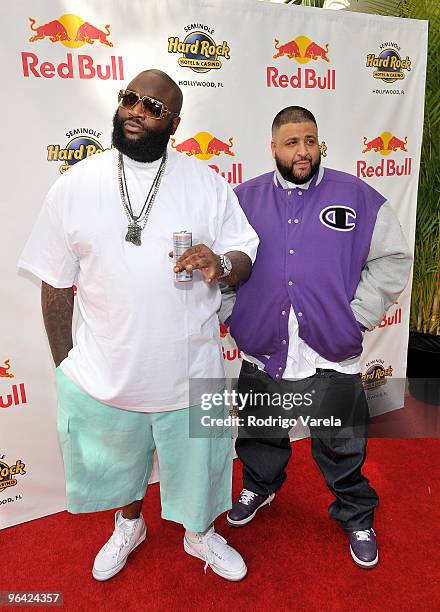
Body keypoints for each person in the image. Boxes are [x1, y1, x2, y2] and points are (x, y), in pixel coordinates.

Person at [18, 69, 259, 582]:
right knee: (122, 470)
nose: (136, 111)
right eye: (130, 99)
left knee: (200, 469)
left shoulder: (205, 181)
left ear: (173, 123)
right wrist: (65, 365)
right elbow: (55, 281)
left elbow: (245, 251)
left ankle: (199, 533)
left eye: (153, 107)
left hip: (191, 368)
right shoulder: (74, 185)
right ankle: (129, 525)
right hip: (108, 371)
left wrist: (222, 263)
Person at [222, 106, 412, 568]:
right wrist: (234, 313)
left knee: (341, 443)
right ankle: (259, 487)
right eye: (291, 142)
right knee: (260, 430)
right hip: (265, 347)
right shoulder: (240, 200)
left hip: (331, 350)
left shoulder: (357, 196)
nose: (302, 150)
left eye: (310, 140)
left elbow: (394, 258)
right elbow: (221, 268)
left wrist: (358, 315)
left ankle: (355, 513)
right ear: (273, 147)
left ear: (319, 142)